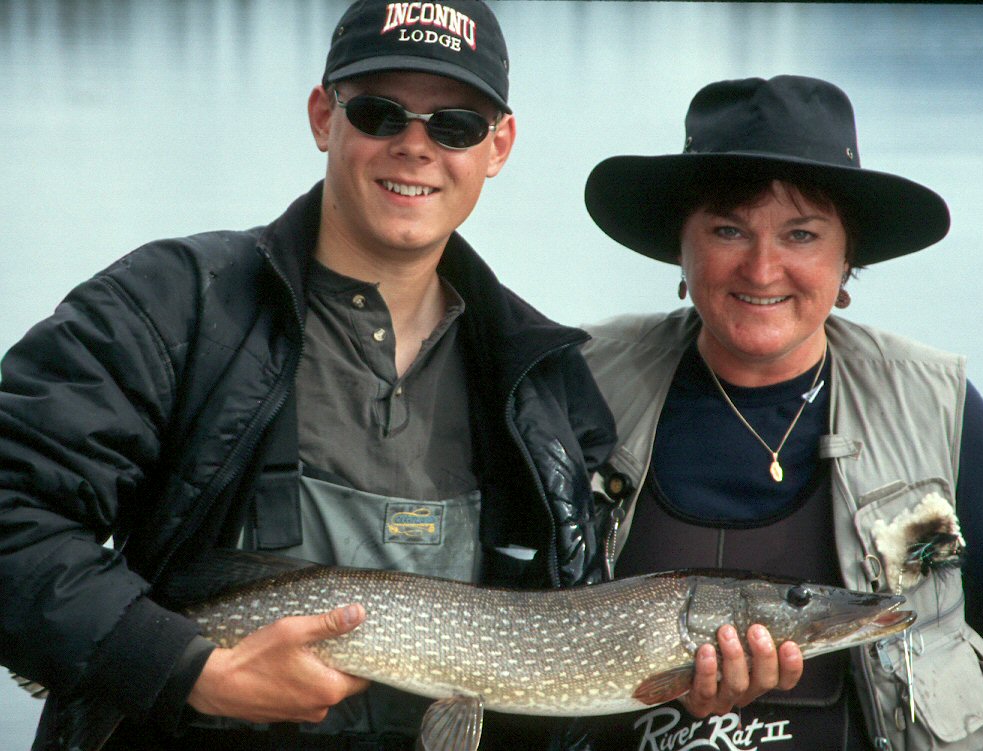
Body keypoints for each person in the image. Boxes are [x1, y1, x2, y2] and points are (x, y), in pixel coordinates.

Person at [0, 2, 623, 749]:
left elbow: (572, 645)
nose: (415, 147)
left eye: (454, 124)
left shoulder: (542, 379)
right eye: (379, 113)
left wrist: (680, 689)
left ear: (498, 146)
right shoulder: (169, 306)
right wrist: (186, 667)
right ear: (324, 117)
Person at [580, 75, 983, 750]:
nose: (761, 268)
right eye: (728, 229)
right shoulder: (575, 385)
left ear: (847, 258)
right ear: (681, 244)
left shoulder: (934, 409)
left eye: (801, 234)